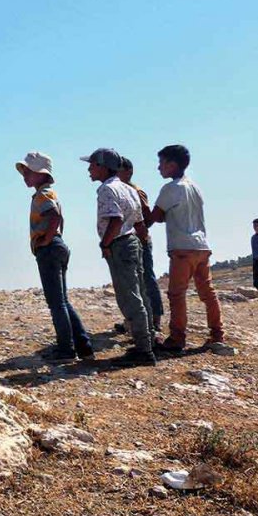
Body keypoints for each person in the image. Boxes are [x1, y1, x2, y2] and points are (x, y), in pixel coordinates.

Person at [16, 152, 94, 363]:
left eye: (29, 171)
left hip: (49, 249)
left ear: (41, 174)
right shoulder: (47, 193)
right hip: (57, 247)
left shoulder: (43, 195)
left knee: (56, 303)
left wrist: (45, 240)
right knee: (63, 301)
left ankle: (66, 349)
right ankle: (83, 345)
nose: (25, 175)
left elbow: (54, 217)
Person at [83, 148, 155, 367]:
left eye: (93, 164)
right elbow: (139, 222)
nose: (89, 168)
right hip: (133, 243)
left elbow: (116, 220)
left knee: (129, 297)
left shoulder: (106, 190)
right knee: (140, 293)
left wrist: (105, 244)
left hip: (119, 244)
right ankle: (147, 342)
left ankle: (144, 350)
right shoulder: (128, 188)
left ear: (103, 167)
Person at [148, 145, 224, 353]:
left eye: (161, 163)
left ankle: (177, 338)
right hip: (201, 246)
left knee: (176, 294)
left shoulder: (171, 188)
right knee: (207, 292)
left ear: (172, 165)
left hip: (182, 247)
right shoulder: (194, 187)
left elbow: (154, 217)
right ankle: (217, 334)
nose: (158, 168)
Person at [117, 157, 164, 332]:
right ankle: (133, 320)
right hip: (127, 241)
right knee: (131, 282)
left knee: (147, 279)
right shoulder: (119, 190)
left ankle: (155, 319)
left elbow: (148, 217)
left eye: (119, 170)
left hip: (139, 241)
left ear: (128, 172)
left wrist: (136, 231)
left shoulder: (135, 191)